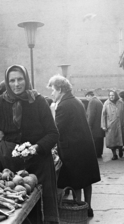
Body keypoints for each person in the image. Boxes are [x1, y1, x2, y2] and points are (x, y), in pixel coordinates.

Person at [0, 65, 60, 224]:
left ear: (26, 80)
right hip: (6, 161)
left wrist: (36, 148)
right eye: (12, 80)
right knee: (8, 206)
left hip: (38, 162)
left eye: (20, 79)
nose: (16, 84)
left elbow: (53, 133)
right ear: (7, 82)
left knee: (41, 204)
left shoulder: (38, 101)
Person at [47, 74, 101, 218]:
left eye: (52, 90)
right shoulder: (76, 101)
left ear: (59, 89)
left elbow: (57, 130)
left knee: (76, 181)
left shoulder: (63, 105)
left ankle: (79, 208)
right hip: (85, 146)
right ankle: (88, 207)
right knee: (87, 180)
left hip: (73, 149)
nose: (52, 93)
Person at [101, 90, 124, 160]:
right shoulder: (106, 103)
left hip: (121, 124)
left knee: (121, 139)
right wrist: (104, 125)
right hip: (111, 125)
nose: (111, 97)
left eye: (113, 95)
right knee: (112, 141)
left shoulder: (121, 103)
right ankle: (114, 154)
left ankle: (120, 149)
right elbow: (103, 115)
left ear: (116, 96)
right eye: (110, 95)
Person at [85, 91, 105, 158]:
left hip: (95, 126)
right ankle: (99, 153)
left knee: (95, 140)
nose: (86, 99)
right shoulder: (98, 101)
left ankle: (96, 154)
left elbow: (91, 114)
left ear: (88, 95)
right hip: (99, 125)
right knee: (99, 140)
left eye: (86, 97)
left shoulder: (92, 101)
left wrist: (89, 125)